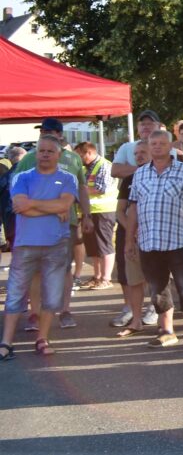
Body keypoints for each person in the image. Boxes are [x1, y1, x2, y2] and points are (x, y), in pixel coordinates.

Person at [125, 130, 183, 349]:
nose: (157, 147)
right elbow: (133, 208)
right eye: (153, 144)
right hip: (149, 242)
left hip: (177, 241)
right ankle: (166, 331)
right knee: (158, 290)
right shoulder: (140, 174)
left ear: (170, 146)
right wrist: (129, 240)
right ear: (149, 147)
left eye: (161, 143)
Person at [1, 137, 78, 358]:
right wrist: (53, 208)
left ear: (58, 155)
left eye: (49, 151)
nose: (45, 154)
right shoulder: (21, 177)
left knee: (52, 296)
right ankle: (6, 342)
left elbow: (64, 204)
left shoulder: (67, 178)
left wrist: (33, 203)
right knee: (15, 294)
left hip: (56, 244)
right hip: (25, 244)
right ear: (36, 154)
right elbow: (19, 207)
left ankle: (42, 339)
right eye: (41, 151)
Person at [12, 119, 92, 330]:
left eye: (47, 131)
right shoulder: (29, 158)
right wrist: (53, 208)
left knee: (64, 269)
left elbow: (82, 188)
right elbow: (19, 196)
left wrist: (87, 214)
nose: (43, 134)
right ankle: (34, 313)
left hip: (67, 223)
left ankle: (65, 310)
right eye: (42, 132)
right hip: (35, 224)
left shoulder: (74, 158)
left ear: (59, 134)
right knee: (37, 271)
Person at [112, 141, 152, 335]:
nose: (139, 156)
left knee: (157, 280)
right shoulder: (130, 179)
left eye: (143, 152)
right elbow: (120, 211)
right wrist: (132, 230)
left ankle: (161, 320)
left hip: (156, 236)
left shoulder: (163, 175)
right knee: (134, 280)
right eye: (136, 154)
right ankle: (136, 320)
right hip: (132, 236)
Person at [76, 142, 117, 290]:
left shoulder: (104, 165)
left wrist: (79, 191)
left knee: (104, 245)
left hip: (103, 210)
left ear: (88, 153)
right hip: (88, 212)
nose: (78, 158)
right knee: (93, 247)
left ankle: (106, 278)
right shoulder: (84, 167)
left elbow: (101, 189)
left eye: (80, 155)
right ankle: (97, 276)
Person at [112, 111, 165, 179]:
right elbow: (115, 171)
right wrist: (149, 169)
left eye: (150, 124)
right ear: (138, 127)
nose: (146, 127)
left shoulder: (167, 149)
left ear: (159, 127)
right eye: (142, 124)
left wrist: (128, 169)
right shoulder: (126, 147)